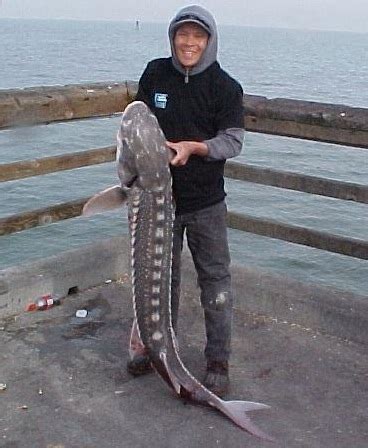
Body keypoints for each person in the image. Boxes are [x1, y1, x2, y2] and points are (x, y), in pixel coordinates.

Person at [127, 4, 245, 398]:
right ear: (173, 37)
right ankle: (156, 346)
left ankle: (217, 361)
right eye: (183, 34)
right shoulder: (155, 73)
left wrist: (197, 148)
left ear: (209, 41)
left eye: (198, 36)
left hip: (205, 202)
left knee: (215, 282)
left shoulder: (226, 87)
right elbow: (138, 119)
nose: (189, 43)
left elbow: (233, 141)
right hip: (157, 201)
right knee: (161, 280)